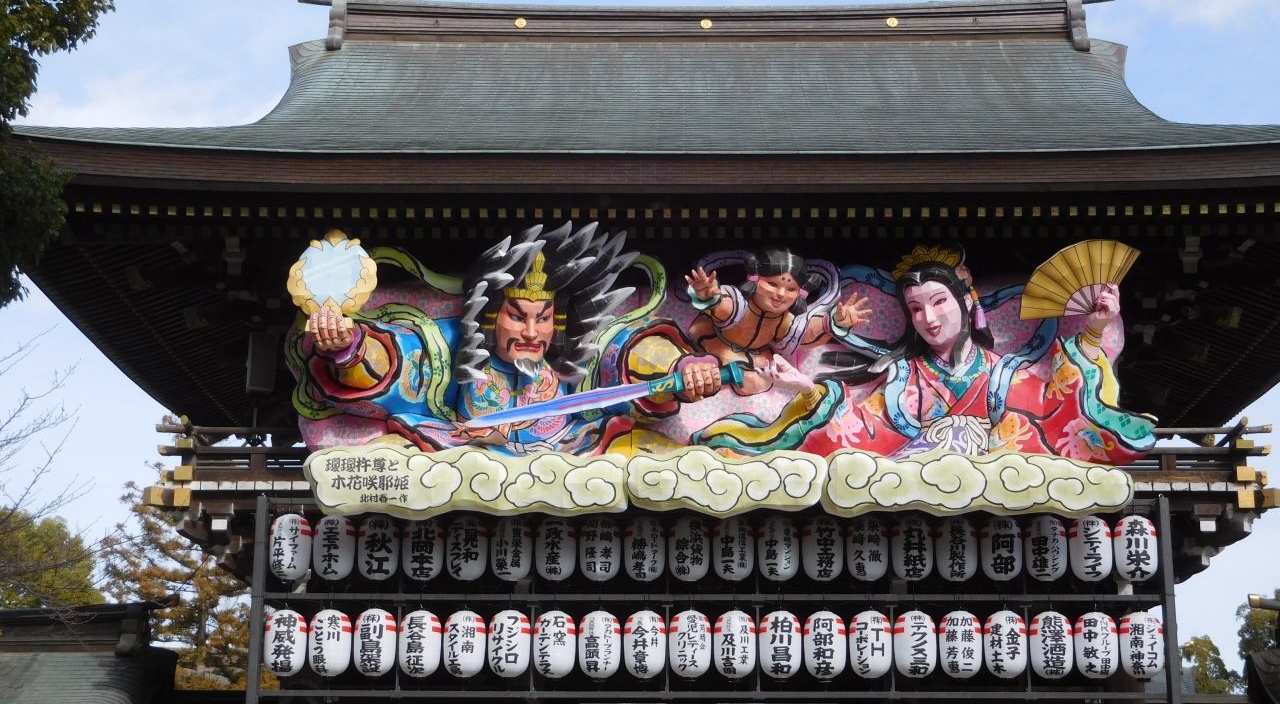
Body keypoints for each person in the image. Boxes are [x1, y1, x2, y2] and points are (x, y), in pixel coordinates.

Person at [694, 246, 1156, 463]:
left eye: (939, 303)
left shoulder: (1002, 376)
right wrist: (806, 389)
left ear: (967, 303)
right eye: (915, 309)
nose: (928, 318)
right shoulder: (904, 379)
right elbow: (861, 432)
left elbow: (1055, 405)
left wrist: (1095, 329)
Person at [305, 223, 722, 456]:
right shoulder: (455, 348)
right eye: (517, 316)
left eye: (544, 319)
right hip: (464, 457)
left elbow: (624, 357)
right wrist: (349, 347)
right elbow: (405, 359)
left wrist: (682, 371)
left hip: (572, 454)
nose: (531, 332)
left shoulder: (572, 357)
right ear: (490, 316)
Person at [684, 247, 870, 396]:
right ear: (755, 279)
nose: (781, 294)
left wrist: (835, 321)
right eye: (772, 284)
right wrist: (707, 295)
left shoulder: (785, 321)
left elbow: (806, 333)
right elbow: (722, 305)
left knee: (757, 381)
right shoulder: (739, 304)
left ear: (800, 293)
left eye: (791, 289)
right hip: (715, 342)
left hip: (754, 358)